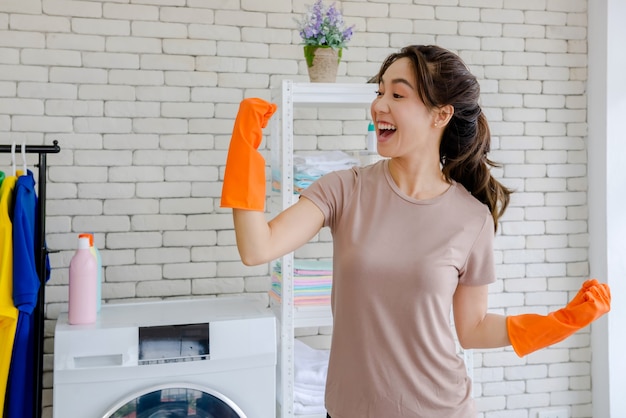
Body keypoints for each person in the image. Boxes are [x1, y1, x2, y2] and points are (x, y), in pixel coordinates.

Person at [220, 45, 611, 418]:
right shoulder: (344, 189)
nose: (379, 105)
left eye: (398, 94)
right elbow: (257, 247)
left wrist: (552, 324)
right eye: (379, 91)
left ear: (440, 115)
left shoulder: (471, 218)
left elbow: (471, 329)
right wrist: (244, 155)